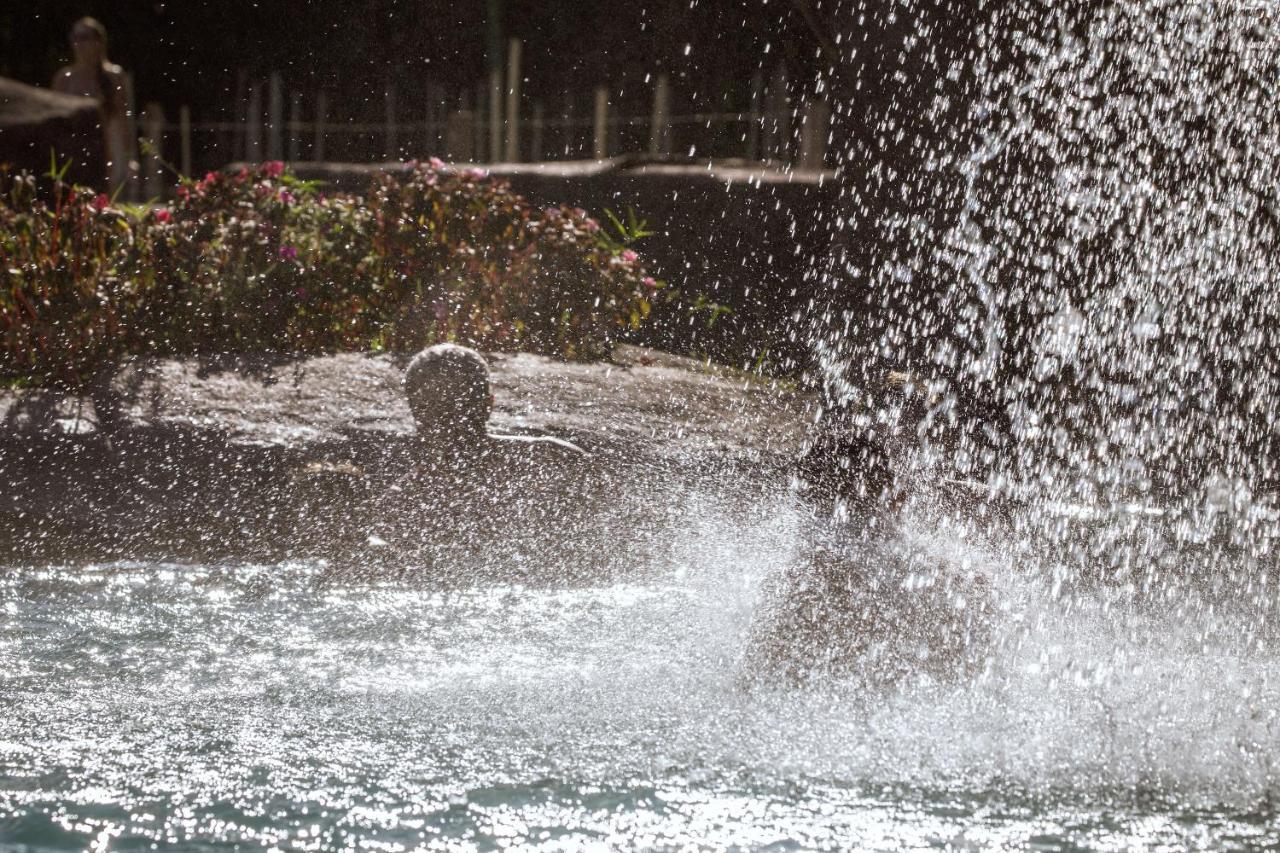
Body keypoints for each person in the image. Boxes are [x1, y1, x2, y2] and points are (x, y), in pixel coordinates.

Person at [403, 343, 584, 462]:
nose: (449, 420)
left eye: (457, 407)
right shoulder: (551, 456)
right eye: (438, 408)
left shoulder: (405, 500)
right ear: (489, 404)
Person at [51, 17, 130, 194]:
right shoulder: (64, 78)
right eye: (75, 37)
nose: (79, 43)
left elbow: (122, 118)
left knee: (103, 202)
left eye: (85, 37)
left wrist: (128, 156)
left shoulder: (114, 76)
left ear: (98, 41)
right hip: (73, 148)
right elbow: (55, 123)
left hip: (105, 148)